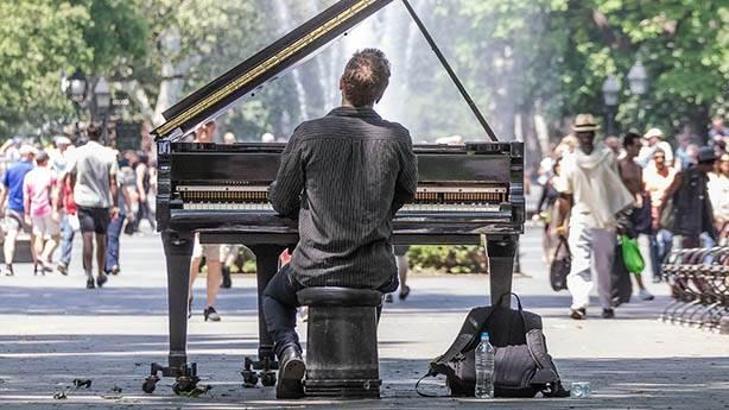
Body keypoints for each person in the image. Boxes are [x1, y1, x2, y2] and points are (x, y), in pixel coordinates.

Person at [262, 48, 417, 398]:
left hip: (314, 265)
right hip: (372, 268)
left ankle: (288, 351)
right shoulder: (396, 137)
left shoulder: (308, 133)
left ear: (340, 84)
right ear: (380, 94)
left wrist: (305, 207)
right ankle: (356, 365)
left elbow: (281, 200)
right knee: (373, 289)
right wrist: (377, 213)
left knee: (274, 295)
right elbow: (408, 190)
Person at [553, 114, 634, 320]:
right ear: (577, 135)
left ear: (594, 134)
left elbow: (616, 188)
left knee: (603, 266)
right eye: (582, 133)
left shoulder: (607, 156)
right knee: (580, 263)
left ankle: (607, 303)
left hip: (605, 219)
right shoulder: (570, 160)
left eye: (589, 133)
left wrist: (620, 216)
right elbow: (565, 195)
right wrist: (561, 222)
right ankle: (579, 304)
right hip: (581, 216)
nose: (586, 137)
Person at [67, 124, 119, 289]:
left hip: (84, 200)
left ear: (87, 134)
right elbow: (113, 182)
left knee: (87, 238)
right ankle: (100, 272)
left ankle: (89, 273)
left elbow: (71, 175)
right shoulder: (109, 154)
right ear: (101, 134)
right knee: (101, 238)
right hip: (102, 202)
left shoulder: (78, 152)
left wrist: (74, 190)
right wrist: (115, 204)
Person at [188, 121, 223, 321]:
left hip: (213, 210)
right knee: (194, 258)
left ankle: (210, 306)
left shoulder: (217, 152)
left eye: (208, 126)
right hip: (193, 211)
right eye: (200, 127)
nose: (204, 130)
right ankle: (187, 294)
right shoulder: (188, 152)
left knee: (214, 260)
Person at [617, 133, 654, 300]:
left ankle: (639, 287)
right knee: (622, 249)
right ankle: (625, 287)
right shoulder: (619, 165)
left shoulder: (638, 167)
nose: (639, 149)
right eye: (637, 146)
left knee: (632, 248)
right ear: (628, 146)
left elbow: (639, 188)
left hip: (635, 212)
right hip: (620, 212)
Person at [658, 147, 717, 249]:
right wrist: (659, 218)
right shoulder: (684, 176)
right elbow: (667, 195)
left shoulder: (702, 178)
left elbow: (704, 204)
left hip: (696, 227)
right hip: (682, 226)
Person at [22, 151, 60, 274]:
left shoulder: (29, 175)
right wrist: (55, 209)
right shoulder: (51, 174)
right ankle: (44, 257)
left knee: (39, 235)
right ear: (45, 161)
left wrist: (26, 213)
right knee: (55, 237)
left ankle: (38, 265)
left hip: (35, 208)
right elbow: (54, 193)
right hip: (47, 207)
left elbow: (26, 196)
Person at [643, 148, 677, 282]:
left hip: (668, 212)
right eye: (657, 157)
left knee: (668, 241)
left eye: (662, 157)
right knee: (654, 243)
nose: (660, 160)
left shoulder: (672, 173)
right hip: (652, 209)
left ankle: (665, 267)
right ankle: (656, 272)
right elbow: (645, 192)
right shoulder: (647, 174)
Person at [0, 145, 35, 276]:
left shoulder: (11, 168)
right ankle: (38, 266)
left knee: (11, 236)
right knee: (34, 236)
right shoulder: (32, 169)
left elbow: (4, 190)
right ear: (30, 155)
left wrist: (1, 205)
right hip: (29, 209)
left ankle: (8, 266)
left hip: (13, 207)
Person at [707, 153, 729, 245]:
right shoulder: (714, 181)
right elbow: (714, 203)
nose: (727, 164)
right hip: (718, 222)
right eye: (724, 162)